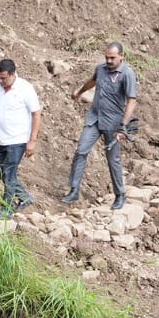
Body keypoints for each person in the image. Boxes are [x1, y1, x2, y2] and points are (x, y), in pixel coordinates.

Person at [62, 43, 138, 211]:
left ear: (121, 56)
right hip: (94, 117)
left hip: (113, 122)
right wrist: (81, 92)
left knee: (113, 159)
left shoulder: (127, 74)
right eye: (107, 57)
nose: (109, 61)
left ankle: (120, 195)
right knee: (81, 150)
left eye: (112, 58)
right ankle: (74, 190)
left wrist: (123, 126)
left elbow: (131, 100)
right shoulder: (101, 69)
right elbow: (93, 81)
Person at [0, 59, 41, 219]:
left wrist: (32, 140)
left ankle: (7, 208)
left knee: (10, 174)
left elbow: (36, 114)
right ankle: (24, 197)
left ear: (12, 74)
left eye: (3, 78)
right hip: (1, 139)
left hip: (18, 140)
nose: (0, 81)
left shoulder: (25, 88)